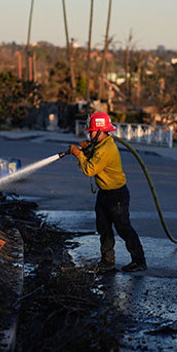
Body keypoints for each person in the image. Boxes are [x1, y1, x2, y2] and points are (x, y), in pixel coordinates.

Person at [69, 112, 147, 273]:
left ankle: (139, 261)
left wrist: (79, 154)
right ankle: (107, 262)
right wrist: (87, 149)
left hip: (116, 195)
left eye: (91, 131)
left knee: (123, 228)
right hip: (104, 194)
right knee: (104, 228)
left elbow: (90, 169)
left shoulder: (107, 148)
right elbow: (94, 158)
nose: (89, 134)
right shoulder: (100, 145)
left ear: (100, 131)